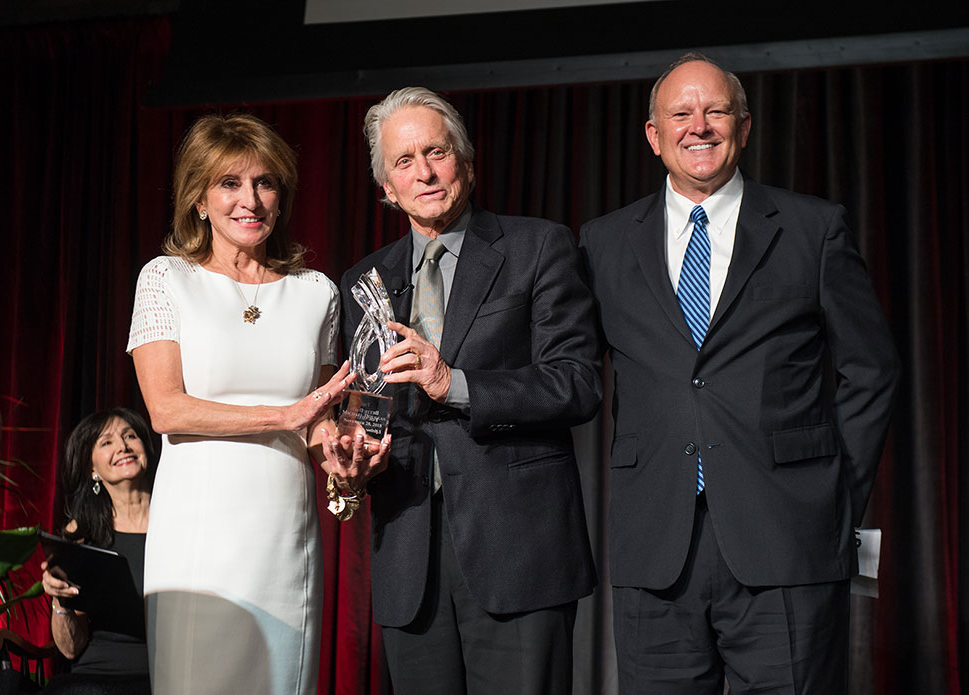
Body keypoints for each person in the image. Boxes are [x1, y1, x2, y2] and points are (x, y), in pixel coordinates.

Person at [579, 53, 901, 693]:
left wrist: (835, 499)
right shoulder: (602, 243)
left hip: (788, 539)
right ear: (654, 136)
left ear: (744, 127)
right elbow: (572, 374)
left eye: (716, 110)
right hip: (656, 551)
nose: (699, 126)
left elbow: (873, 372)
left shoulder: (813, 229)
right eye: (681, 114)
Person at [340, 87, 601, 695]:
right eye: (404, 161)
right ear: (386, 187)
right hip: (409, 554)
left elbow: (577, 382)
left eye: (436, 152)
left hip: (518, 551)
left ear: (468, 164)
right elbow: (368, 409)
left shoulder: (538, 247)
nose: (424, 172)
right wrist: (352, 455)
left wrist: (451, 383)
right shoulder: (365, 281)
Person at [127, 113, 387, 695]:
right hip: (197, 538)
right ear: (198, 199)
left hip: (285, 536)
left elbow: (319, 419)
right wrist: (283, 416)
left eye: (265, 183)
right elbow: (167, 411)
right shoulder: (166, 279)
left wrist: (344, 458)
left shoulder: (316, 293)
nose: (251, 199)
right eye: (229, 183)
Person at [40, 407, 158, 695]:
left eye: (130, 436)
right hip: (95, 678)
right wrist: (60, 600)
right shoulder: (81, 532)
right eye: (106, 442)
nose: (123, 447)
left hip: (169, 675)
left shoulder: (179, 519)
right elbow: (70, 649)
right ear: (92, 469)